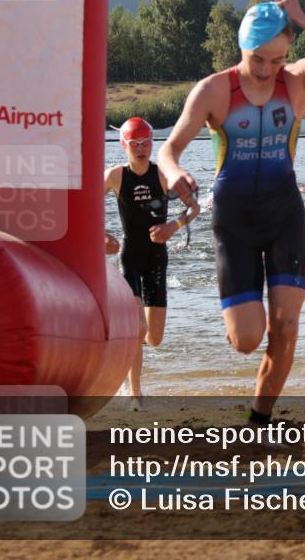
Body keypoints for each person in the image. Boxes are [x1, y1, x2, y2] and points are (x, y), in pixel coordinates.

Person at [157, 0, 305, 427]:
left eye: (276, 59)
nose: (268, 70)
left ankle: (260, 418)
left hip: (285, 215)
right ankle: (251, 365)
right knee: (247, 340)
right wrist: (174, 173)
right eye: (258, 59)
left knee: (285, 325)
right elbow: (168, 150)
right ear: (242, 48)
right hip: (234, 225)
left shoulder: (297, 79)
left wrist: (303, 19)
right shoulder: (213, 90)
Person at [105, 117, 200, 410]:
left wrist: (173, 226)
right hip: (130, 258)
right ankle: (135, 394)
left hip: (157, 260)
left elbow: (194, 206)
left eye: (146, 143)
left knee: (153, 338)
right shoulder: (115, 176)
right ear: (125, 146)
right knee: (136, 324)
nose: (142, 149)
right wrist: (101, 236)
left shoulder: (162, 176)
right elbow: (84, 207)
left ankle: (128, 352)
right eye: (135, 144)